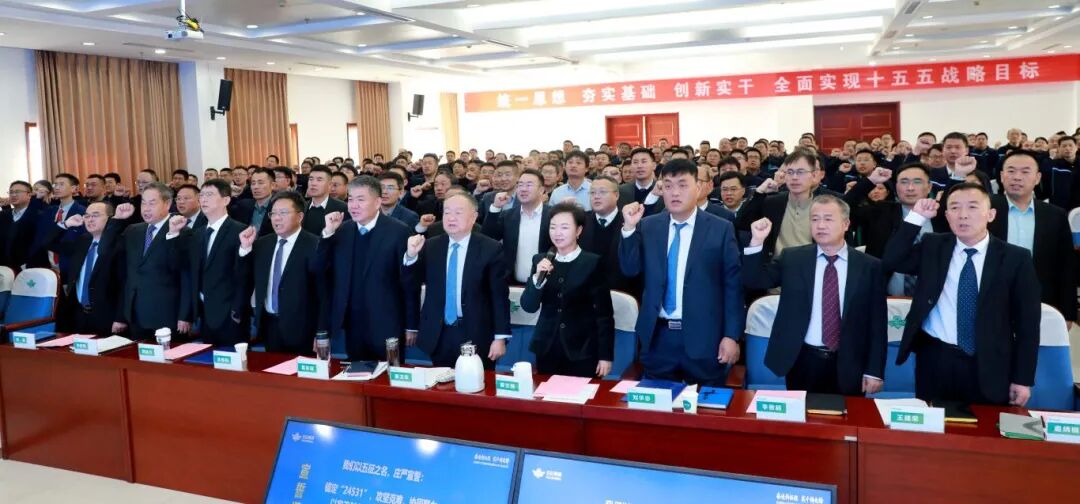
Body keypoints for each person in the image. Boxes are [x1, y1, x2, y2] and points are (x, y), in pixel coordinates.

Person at [882, 183, 1040, 406]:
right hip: (936, 357)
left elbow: (1027, 324)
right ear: (947, 216)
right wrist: (916, 218)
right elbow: (892, 260)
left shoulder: (1016, 258)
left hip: (989, 362)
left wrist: (1022, 379)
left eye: (973, 207)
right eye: (955, 208)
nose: (963, 215)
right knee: (934, 422)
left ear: (991, 214)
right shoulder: (933, 245)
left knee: (985, 425)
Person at [742, 195, 887, 395]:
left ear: (846, 224)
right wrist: (757, 241)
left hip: (850, 361)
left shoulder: (869, 266)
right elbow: (755, 280)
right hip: (802, 358)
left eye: (828, 219)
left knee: (845, 414)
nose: (821, 225)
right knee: (802, 413)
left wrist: (874, 371)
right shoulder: (793, 258)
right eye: (815, 219)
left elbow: (877, 323)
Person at [619, 159, 743, 385]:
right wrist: (629, 228)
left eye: (683, 185)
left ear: (699, 187)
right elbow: (630, 270)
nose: (674, 192)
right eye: (668, 185)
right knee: (658, 402)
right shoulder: (648, 225)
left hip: (704, 337)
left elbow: (733, 287)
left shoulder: (721, 228)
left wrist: (731, 335)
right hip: (658, 337)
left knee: (704, 404)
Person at [402, 193, 511, 368]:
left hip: (476, 332)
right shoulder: (430, 246)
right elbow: (410, 283)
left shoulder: (491, 248)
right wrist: (411, 256)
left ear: (473, 217)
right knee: (441, 381)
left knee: (475, 381)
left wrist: (500, 338)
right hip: (439, 332)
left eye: (458, 212)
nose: (451, 218)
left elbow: (499, 296)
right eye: (447, 212)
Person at [319, 176, 420, 361]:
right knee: (356, 374)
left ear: (377, 202)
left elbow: (409, 282)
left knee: (390, 375)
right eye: (350, 199)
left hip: (388, 323)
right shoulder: (341, 230)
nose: (353, 206)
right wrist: (328, 234)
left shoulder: (399, 231)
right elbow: (319, 269)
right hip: (352, 324)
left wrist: (411, 325)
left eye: (361, 199)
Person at [521, 202, 615, 378]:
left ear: (578, 230)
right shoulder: (540, 260)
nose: (557, 233)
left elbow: (604, 315)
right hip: (547, 347)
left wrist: (605, 355)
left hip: (583, 350)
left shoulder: (592, 262)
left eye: (564, 227)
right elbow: (529, 306)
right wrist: (537, 279)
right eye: (553, 227)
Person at [987, 150, 1075, 326]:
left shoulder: (1055, 215)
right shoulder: (985, 209)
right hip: (990, 299)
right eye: (1011, 171)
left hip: (1040, 299)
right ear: (1002, 176)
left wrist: (1067, 311)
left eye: (1025, 172)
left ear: (1037, 178)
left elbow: (1066, 265)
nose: (1017, 177)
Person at [237, 191, 322, 355]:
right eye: (273, 213)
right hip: (269, 326)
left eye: (283, 213)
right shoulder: (262, 244)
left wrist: (321, 331)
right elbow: (244, 278)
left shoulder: (315, 245)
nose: (276, 218)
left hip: (304, 329)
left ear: (300, 216)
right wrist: (245, 248)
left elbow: (323, 294)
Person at [116, 183, 193, 340]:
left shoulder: (182, 231)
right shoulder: (133, 230)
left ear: (167, 204)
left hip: (167, 315)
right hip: (136, 314)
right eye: (143, 203)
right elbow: (108, 253)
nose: (146, 208)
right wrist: (117, 220)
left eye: (152, 203)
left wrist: (185, 315)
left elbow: (186, 275)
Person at [40, 201, 125, 335]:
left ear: (110, 218)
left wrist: (120, 318)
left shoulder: (119, 244)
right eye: (87, 216)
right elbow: (47, 243)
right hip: (79, 314)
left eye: (95, 215)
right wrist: (65, 224)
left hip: (107, 316)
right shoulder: (83, 241)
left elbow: (124, 285)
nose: (90, 219)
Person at [190, 179, 248, 346]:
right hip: (204, 312)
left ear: (226, 200)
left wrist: (236, 311)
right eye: (201, 195)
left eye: (209, 195)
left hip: (231, 314)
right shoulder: (198, 233)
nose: (204, 199)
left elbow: (244, 276)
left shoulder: (240, 230)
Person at [481, 169, 552, 285]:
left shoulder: (553, 215)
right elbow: (487, 237)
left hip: (546, 283)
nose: (523, 189)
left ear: (541, 190)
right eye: (520, 185)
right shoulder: (508, 216)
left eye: (529, 185)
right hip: (513, 283)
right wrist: (496, 207)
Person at [0, 181, 42, 271]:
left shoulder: (39, 216)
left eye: (17, 192)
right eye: (11, 192)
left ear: (29, 195)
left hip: (29, 268)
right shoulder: (3, 215)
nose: (13, 195)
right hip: (4, 268)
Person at [301, 165, 347, 235]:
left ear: (330, 184)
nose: (313, 183)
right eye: (311, 179)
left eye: (319, 180)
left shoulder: (342, 208)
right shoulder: (301, 207)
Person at [229, 168, 275, 237]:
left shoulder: (278, 207)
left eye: (260, 183)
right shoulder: (243, 205)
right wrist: (231, 196)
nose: (255, 187)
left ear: (272, 185)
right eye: (253, 183)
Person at [618, 148, 664, 213]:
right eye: (635, 162)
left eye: (644, 161)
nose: (639, 166)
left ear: (654, 165)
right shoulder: (621, 191)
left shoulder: (662, 190)